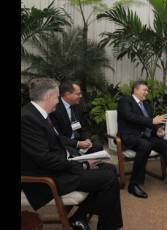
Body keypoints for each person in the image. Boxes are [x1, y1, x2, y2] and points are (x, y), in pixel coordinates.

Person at [21, 78, 123, 230]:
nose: (58, 101)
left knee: (109, 169)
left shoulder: (38, 114)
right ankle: (103, 225)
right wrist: (81, 163)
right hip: (46, 178)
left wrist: (79, 158)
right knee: (108, 178)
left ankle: (79, 217)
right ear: (49, 96)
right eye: (57, 97)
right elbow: (44, 159)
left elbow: (56, 142)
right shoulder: (27, 119)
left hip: (58, 167)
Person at [117, 80, 167, 199]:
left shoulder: (146, 104)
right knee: (145, 145)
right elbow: (130, 117)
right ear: (135, 90)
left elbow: (151, 120)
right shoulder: (125, 101)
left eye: (147, 90)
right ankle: (134, 184)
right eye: (144, 90)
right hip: (131, 137)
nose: (146, 92)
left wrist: (157, 129)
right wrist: (152, 121)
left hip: (147, 136)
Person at [49, 81, 102, 156]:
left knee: (98, 148)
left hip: (79, 141)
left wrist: (87, 139)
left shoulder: (77, 106)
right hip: (65, 144)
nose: (80, 96)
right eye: (78, 94)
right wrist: (78, 144)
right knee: (74, 154)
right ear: (67, 94)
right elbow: (57, 137)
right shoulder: (54, 109)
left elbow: (83, 128)